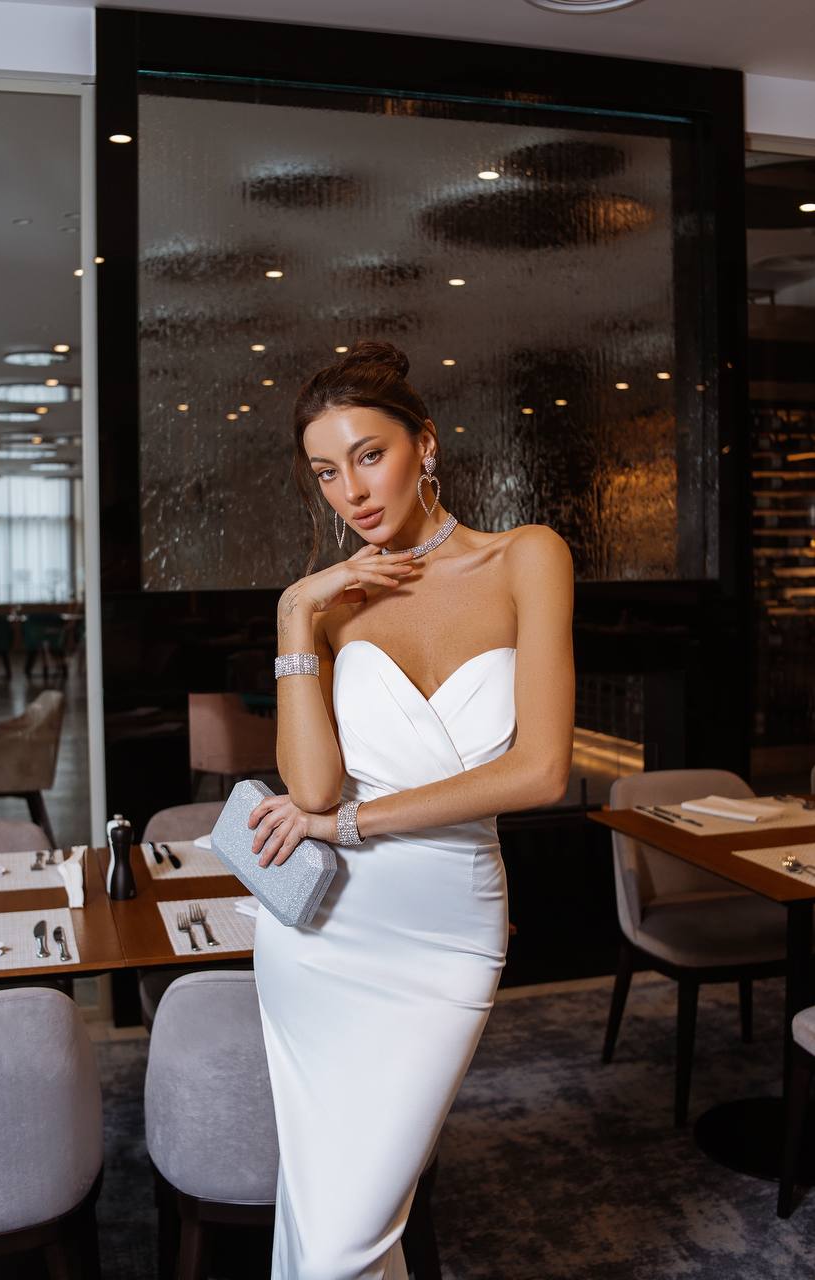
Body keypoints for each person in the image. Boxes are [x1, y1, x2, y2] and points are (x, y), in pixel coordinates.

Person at [249, 339, 575, 1279]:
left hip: (444, 935)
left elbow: (540, 772)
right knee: (336, 1221)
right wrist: (295, 615)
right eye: (324, 472)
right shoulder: (335, 603)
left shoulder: (528, 558)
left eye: (368, 454)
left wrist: (348, 825)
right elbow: (309, 790)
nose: (349, 490)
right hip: (319, 942)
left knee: (349, 1227)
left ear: (424, 445)